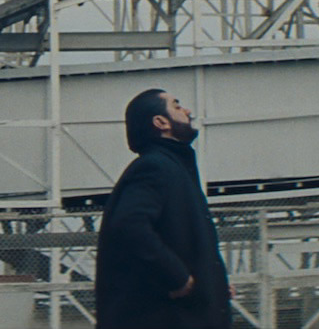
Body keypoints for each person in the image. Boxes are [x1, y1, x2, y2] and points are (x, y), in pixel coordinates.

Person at [95, 88, 231, 329]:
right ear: (160, 122)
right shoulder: (155, 167)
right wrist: (179, 279)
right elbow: (129, 226)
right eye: (177, 106)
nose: (187, 111)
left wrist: (213, 282)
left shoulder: (172, 168)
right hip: (168, 318)